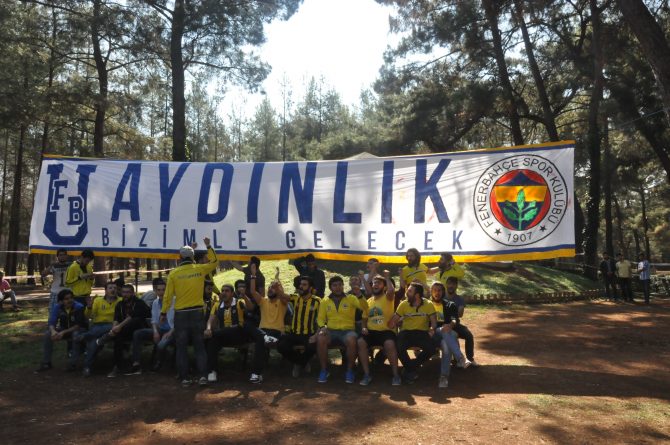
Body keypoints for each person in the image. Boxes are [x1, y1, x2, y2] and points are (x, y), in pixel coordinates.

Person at [161, 237, 218, 387]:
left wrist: (163, 313)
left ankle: (185, 378)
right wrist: (208, 246)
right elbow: (214, 262)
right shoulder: (199, 269)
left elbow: (167, 296)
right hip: (197, 312)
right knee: (199, 346)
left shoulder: (174, 273)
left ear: (179, 257)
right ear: (192, 257)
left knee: (181, 347)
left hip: (181, 314)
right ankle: (203, 377)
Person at [315, 276, 362, 384]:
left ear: (343, 286)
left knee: (352, 339)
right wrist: (322, 327)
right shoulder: (325, 301)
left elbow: (363, 308)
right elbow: (320, 318)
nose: (338, 287)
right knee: (321, 338)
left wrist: (359, 295)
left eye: (340, 285)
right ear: (330, 288)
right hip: (331, 331)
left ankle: (349, 370)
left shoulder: (351, 298)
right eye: (335, 285)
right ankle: (324, 370)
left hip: (348, 330)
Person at [247, 264, 289, 384]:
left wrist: (277, 285)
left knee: (260, 342)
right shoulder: (263, 301)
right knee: (248, 326)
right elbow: (252, 291)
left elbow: (284, 296)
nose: (270, 289)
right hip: (263, 331)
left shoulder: (283, 302)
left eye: (273, 288)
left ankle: (256, 373)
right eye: (269, 287)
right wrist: (253, 275)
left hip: (276, 332)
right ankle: (257, 373)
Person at [357, 272, 401, 386]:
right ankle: (367, 374)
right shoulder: (368, 301)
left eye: (379, 283)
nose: (375, 285)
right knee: (361, 342)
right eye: (374, 283)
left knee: (389, 344)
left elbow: (391, 291)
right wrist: (364, 328)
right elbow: (364, 318)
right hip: (371, 332)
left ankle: (396, 375)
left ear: (384, 286)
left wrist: (387, 277)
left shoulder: (388, 297)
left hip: (386, 331)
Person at [389, 282, 437, 383]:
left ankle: (410, 367)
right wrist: (393, 322)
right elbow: (394, 320)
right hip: (406, 332)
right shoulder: (403, 304)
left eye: (410, 291)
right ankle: (411, 369)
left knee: (432, 349)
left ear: (417, 295)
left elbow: (434, 322)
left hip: (422, 332)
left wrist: (432, 329)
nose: (407, 292)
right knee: (398, 347)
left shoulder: (428, 304)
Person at [100, 284, 151, 377]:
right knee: (118, 338)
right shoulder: (120, 304)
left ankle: (109, 336)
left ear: (133, 293)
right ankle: (117, 366)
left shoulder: (139, 303)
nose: (125, 294)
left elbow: (131, 316)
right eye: (123, 292)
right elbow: (116, 318)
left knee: (135, 320)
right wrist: (114, 329)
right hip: (123, 331)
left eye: (128, 292)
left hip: (139, 330)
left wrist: (118, 328)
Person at [277, 276, 321, 378]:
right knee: (281, 346)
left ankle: (299, 363)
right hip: (294, 333)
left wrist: (316, 335)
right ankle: (301, 362)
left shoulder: (317, 301)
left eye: (304, 285)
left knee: (313, 347)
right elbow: (282, 295)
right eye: (300, 284)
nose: (301, 286)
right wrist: (276, 287)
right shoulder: (295, 297)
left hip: (308, 334)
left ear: (310, 288)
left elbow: (321, 319)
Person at [430, 280, 471, 388]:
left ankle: (443, 377)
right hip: (433, 333)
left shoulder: (450, 305)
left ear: (443, 292)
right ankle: (460, 358)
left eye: (439, 290)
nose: (437, 293)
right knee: (446, 331)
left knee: (446, 345)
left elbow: (454, 319)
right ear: (431, 291)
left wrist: (450, 325)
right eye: (435, 290)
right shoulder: (427, 305)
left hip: (446, 333)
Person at [204, 284, 249, 382]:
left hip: (238, 335)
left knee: (234, 328)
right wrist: (208, 329)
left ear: (232, 293)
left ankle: (211, 335)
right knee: (212, 341)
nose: (224, 293)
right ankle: (212, 371)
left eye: (227, 291)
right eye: (222, 291)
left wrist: (244, 296)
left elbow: (249, 309)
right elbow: (210, 320)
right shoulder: (217, 305)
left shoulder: (239, 302)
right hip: (223, 336)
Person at [128, 279, 174, 374]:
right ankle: (136, 363)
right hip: (160, 329)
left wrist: (170, 332)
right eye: (159, 290)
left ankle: (159, 362)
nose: (161, 292)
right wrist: (155, 332)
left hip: (172, 331)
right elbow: (154, 320)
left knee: (161, 345)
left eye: (163, 290)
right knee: (138, 333)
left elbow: (180, 321)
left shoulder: (175, 301)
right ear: (155, 291)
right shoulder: (156, 303)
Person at [74, 281, 120, 377]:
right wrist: (89, 307)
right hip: (98, 325)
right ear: (105, 290)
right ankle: (87, 367)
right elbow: (88, 316)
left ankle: (85, 335)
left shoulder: (120, 301)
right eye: (110, 288)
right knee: (94, 343)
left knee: (107, 328)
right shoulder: (98, 300)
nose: (113, 290)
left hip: (113, 325)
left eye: (115, 288)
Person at [35, 289, 87, 372]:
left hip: (79, 330)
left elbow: (78, 325)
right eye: (66, 299)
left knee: (76, 335)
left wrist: (63, 332)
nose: (70, 300)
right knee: (48, 334)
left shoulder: (79, 307)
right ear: (61, 301)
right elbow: (51, 322)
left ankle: (72, 364)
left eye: (71, 298)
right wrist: (53, 331)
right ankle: (46, 362)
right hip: (64, 329)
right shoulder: (57, 307)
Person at [445, 278, 480, 367]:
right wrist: (454, 311)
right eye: (449, 284)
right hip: (443, 324)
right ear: (446, 285)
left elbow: (460, 314)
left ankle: (470, 359)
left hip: (455, 324)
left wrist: (449, 312)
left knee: (469, 335)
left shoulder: (459, 299)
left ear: (456, 286)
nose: (451, 286)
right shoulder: (442, 297)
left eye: (453, 284)